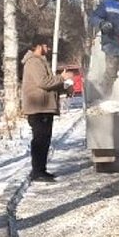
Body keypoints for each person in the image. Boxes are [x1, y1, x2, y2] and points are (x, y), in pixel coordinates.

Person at [21, 35, 74, 182]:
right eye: (46, 46)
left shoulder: (39, 62)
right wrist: (62, 78)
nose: (48, 49)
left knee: (44, 140)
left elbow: (49, 84)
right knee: (40, 140)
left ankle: (40, 170)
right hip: (39, 107)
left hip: (43, 107)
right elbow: (44, 82)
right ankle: (37, 171)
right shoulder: (33, 62)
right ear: (38, 46)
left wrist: (65, 88)